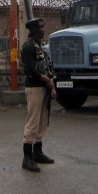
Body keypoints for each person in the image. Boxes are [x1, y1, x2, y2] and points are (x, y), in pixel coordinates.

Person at [21, 18, 56, 172]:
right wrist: (47, 80)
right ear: (34, 29)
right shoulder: (28, 47)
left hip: (44, 87)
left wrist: (51, 84)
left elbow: (48, 67)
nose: (43, 31)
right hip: (34, 87)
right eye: (40, 28)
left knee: (41, 122)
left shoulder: (41, 47)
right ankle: (27, 158)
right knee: (33, 121)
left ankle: (38, 152)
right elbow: (31, 71)